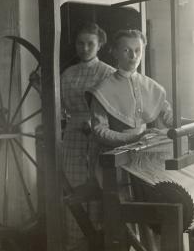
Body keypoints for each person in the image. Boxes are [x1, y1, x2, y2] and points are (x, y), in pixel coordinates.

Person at [61, 22, 115, 250]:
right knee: (73, 186)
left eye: (90, 43)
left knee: (95, 188)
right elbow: (61, 105)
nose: (84, 48)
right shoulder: (68, 73)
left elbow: (115, 110)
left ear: (100, 45)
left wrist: (93, 123)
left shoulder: (108, 73)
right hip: (72, 138)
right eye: (80, 43)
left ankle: (96, 241)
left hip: (98, 138)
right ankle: (76, 242)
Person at [88, 29, 173, 148]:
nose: (133, 56)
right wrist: (136, 138)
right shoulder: (101, 90)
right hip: (113, 155)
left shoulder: (152, 86)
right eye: (126, 50)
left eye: (138, 50)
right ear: (115, 52)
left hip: (144, 152)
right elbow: (99, 131)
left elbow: (170, 118)